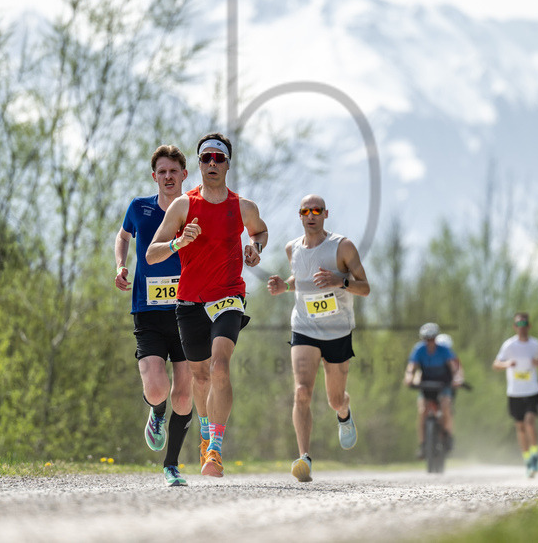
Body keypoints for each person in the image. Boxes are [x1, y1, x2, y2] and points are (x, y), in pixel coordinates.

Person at [146, 132, 268, 479]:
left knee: (220, 365)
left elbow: (260, 232)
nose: (212, 163)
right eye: (205, 158)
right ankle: (204, 434)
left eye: (218, 158)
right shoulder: (183, 205)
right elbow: (151, 254)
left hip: (228, 296)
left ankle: (215, 446)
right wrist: (178, 242)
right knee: (200, 376)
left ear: (228, 164)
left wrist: (255, 248)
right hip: (190, 301)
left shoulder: (243, 207)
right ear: (199, 164)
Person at [267, 194, 371, 483]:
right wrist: (284, 287)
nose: (311, 215)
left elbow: (365, 287)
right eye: (305, 211)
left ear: (326, 214)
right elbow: (301, 280)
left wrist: (340, 281)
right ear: (299, 215)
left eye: (316, 210)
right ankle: (304, 458)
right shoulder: (292, 248)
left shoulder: (343, 246)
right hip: (304, 327)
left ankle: (344, 412)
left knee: (335, 399)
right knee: (301, 391)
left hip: (338, 331)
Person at [114, 145, 193, 486]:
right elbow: (122, 236)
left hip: (187, 309)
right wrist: (120, 265)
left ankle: (171, 465)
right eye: (162, 171)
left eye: (173, 171)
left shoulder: (194, 210)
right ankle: (157, 412)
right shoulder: (139, 207)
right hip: (147, 311)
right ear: (154, 176)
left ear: (184, 175)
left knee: (184, 395)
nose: (168, 176)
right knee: (159, 390)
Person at [492, 312, 538, 477]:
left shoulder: (535, 344)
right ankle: (527, 459)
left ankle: (535, 456)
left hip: (532, 390)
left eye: (524, 324)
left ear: (529, 326)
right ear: (514, 327)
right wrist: (507, 364)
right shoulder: (509, 345)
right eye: (518, 324)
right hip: (514, 392)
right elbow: (496, 364)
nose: (521, 327)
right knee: (520, 427)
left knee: (530, 422)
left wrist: (537, 362)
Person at [403, 322, 464, 459]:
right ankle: (423, 445)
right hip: (426, 383)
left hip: (443, 384)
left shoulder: (444, 350)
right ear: (423, 339)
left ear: (436, 338)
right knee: (422, 411)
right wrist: (408, 377)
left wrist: (456, 378)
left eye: (432, 338)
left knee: (446, 406)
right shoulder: (419, 349)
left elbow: (453, 367)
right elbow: (412, 366)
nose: (429, 342)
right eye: (427, 339)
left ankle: (447, 436)